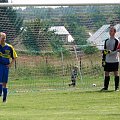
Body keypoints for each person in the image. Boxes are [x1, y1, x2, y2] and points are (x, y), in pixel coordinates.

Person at [101, 26, 120, 91]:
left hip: (115, 60)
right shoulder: (106, 40)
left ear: (114, 32)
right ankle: (105, 87)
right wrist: (103, 59)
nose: (110, 32)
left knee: (116, 73)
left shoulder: (117, 40)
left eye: (111, 31)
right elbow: (104, 50)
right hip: (107, 60)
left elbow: (116, 50)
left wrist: (109, 52)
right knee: (106, 73)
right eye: (109, 31)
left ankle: (116, 87)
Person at [0, 32, 17, 102]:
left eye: (5, 38)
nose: (4, 39)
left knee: (5, 83)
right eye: (2, 38)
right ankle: (0, 93)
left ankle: (4, 99)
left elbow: (15, 57)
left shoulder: (9, 47)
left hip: (6, 67)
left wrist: (10, 64)